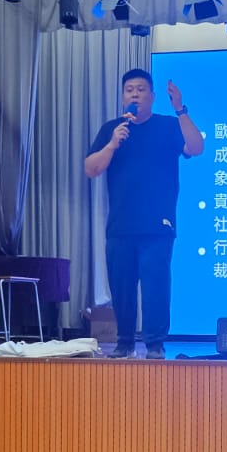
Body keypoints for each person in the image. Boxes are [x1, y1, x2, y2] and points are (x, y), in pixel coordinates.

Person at [84, 69, 204, 358]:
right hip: (120, 226)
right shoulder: (113, 129)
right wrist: (112, 144)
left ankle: (155, 344)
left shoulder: (168, 125)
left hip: (158, 225)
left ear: (152, 96)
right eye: (129, 90)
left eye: (140, 89)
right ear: (123, 97)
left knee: (155, 288)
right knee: (121, 288)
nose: (134, 94)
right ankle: (124, 342)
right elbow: (91, 169)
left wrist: (180, 109)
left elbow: (196, 147)